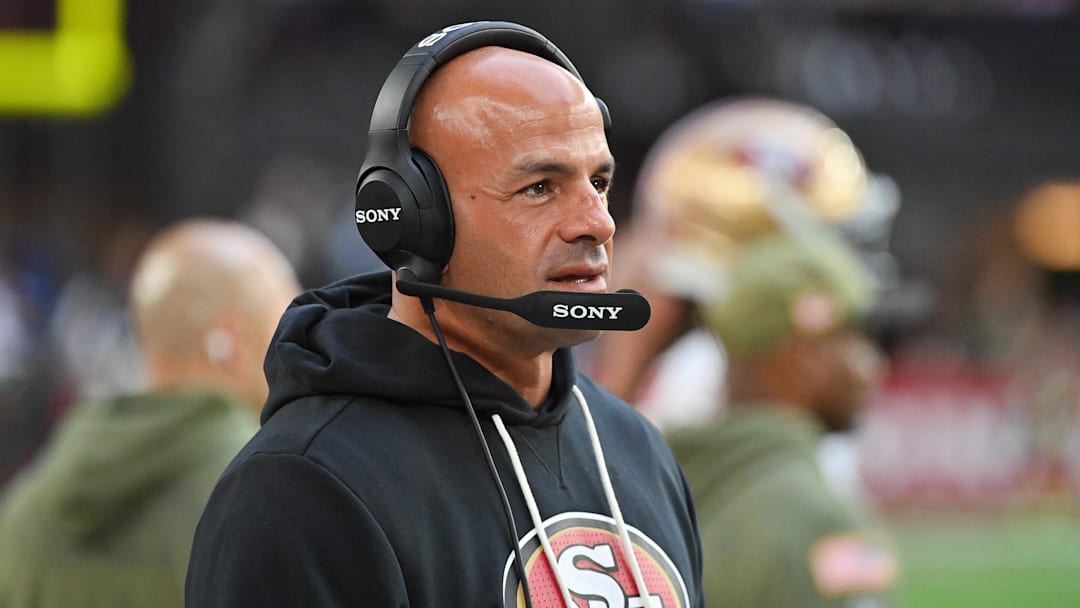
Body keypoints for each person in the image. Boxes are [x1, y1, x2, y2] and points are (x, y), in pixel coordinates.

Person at [185, 21, 704, 607]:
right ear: (414, 219)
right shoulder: (301, 488)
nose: (598, 223)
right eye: (540, 187)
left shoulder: (636, 448)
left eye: (600, 181)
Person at [0, 218, 301, 608]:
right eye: (287, 322)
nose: (302, 345)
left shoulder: (25, 509)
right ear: (231, 338)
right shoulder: (277, 499)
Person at [666, 230, 899, 607]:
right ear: (802, 360)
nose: (875, 367)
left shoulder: (660, 488)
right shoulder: (825, 525)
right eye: (856, 340)